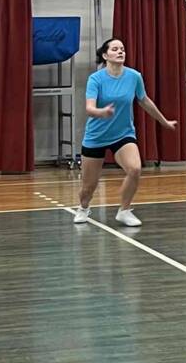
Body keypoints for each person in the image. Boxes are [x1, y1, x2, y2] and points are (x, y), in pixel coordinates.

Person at [73, 37, 178, 230]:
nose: (120, 51)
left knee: (135, 169)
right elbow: (89, 108)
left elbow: (144, 101)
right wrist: (101, 112)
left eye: (122, 49)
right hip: (96, 136)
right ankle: (83, 207)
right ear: (105, 55)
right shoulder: (96, 79)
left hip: (123, 134)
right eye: (115, 49)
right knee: (88, 187)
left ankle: (124, 210)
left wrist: (164, 121)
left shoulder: (134, 76)